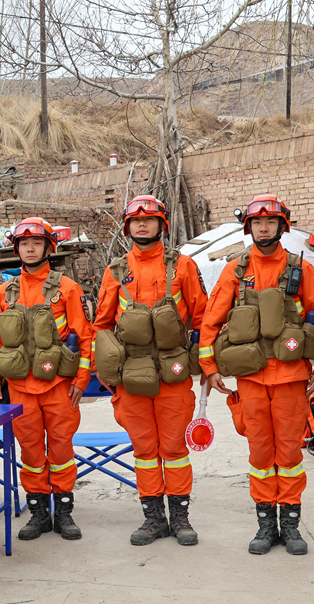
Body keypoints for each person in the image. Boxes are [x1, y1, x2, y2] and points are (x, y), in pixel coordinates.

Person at [200, 194, 314, 556]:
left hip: (291, 378)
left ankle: (290, 526)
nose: (263, 228)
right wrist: (209, 368)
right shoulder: (235, 271)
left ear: (282, 226)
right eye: (257, 223)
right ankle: (265, 525)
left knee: (289, 454)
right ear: (249, 228)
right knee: (260, 454)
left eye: (270, 222)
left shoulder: (301, 269)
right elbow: (211, 321)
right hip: (251, 379)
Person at [93, 195, 208, 546]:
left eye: (149, 219)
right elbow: (102, 325)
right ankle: (153, 518)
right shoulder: (115, 271)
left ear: (162, 224)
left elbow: (203, 318)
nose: (142, 225)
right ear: (127, 227)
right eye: (135, 221)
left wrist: (207, 365)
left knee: (174, 449)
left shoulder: (183, 266)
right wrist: (105, 370)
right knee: (144, 451)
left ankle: (180, 518)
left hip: (174, 372)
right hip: (132, 374)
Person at [0, 217, 94, 541]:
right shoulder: (6, 291)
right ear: (16, 249)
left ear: (49, 247)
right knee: (31, 454)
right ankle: (38, 513)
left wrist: (81, 380)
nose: (30, 248)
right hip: (20, 387)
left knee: (61, 450)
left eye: (36, 243)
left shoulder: (67, 288)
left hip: (59, 386)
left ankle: (64, 512)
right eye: (24, 243)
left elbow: (84, 337)